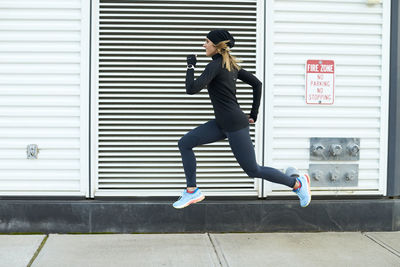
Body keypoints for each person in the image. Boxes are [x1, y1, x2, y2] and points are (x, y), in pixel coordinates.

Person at [173, 29, 311, 209]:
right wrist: (253, 114)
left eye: (206, 41)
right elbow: (257, 84)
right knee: (185, 143)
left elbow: (191, 89)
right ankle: (192, 191)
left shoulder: (215, 66)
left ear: (216, 46)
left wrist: (191, 66)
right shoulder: (229, 65)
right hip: (223, 123)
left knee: (253, 170)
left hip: (234, 124)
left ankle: (297, 184)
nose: (203, 45)